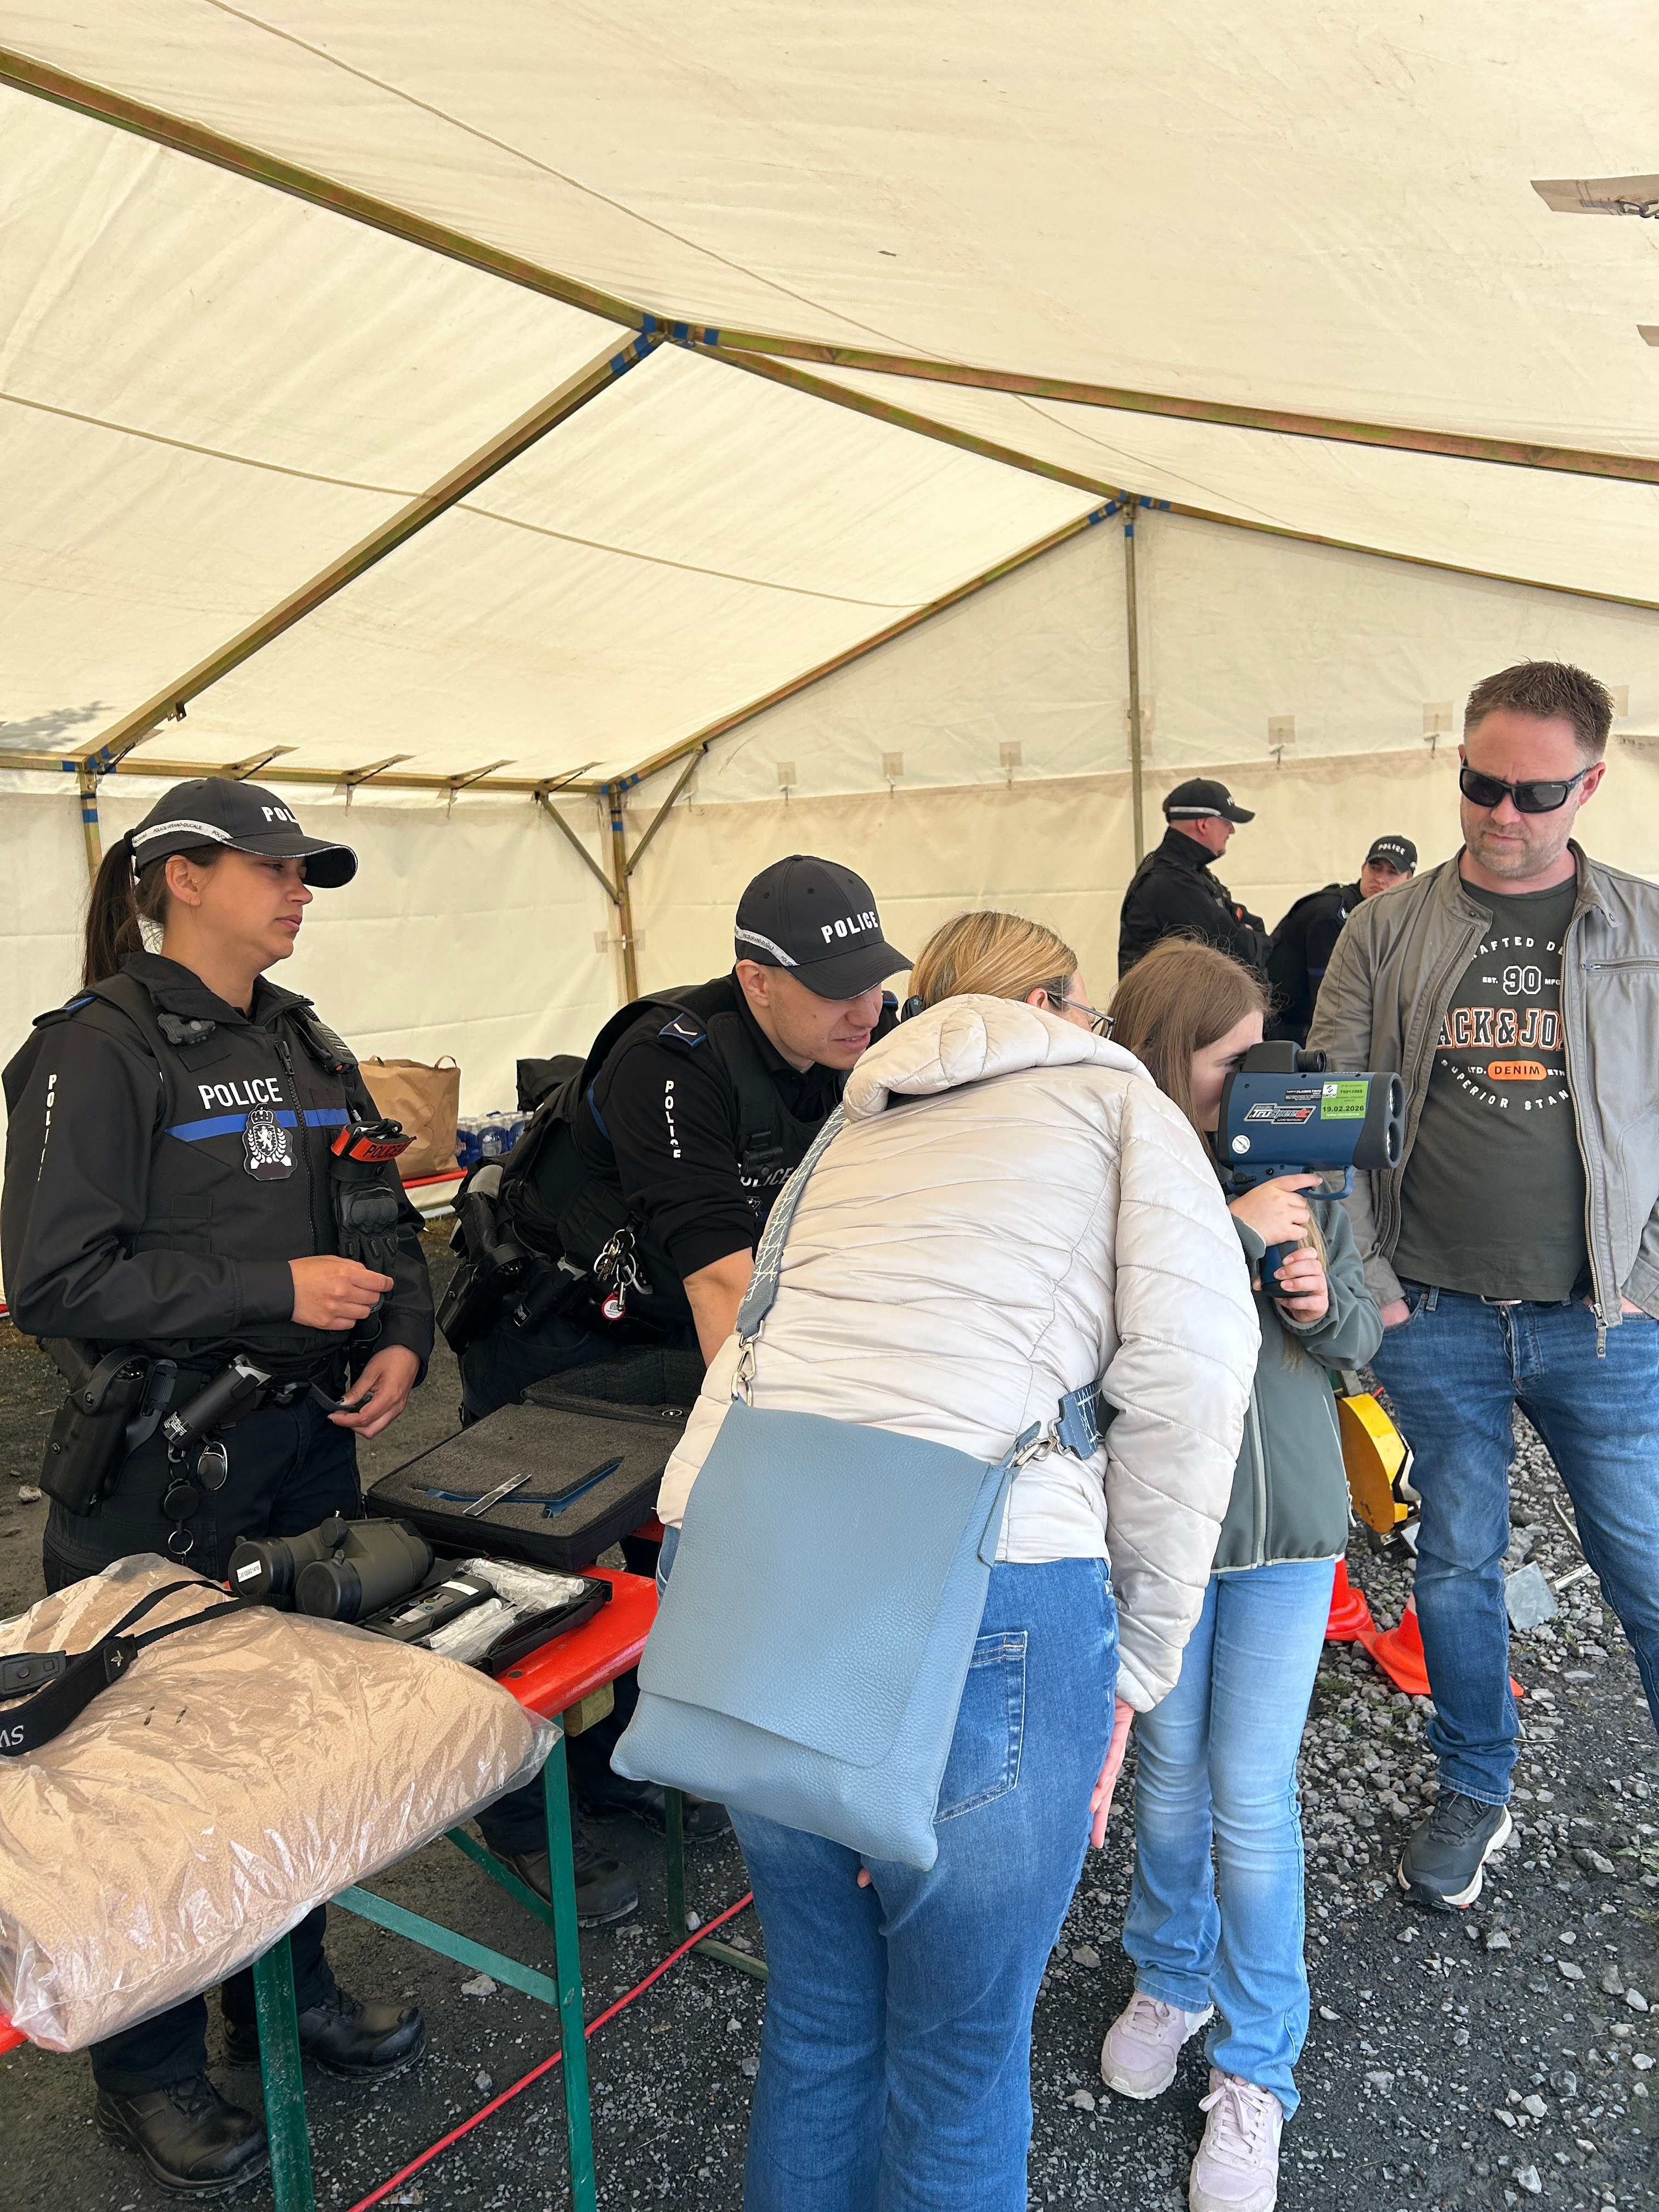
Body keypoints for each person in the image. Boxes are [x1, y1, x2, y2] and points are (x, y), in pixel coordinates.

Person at [652, 909, 1259, 2212]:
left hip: (766, 1580)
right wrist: (1138, 1667)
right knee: (960, 2059)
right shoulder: (1123, 1109)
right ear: (1050, 1006)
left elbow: (748, 1355)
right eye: (1086, 1007)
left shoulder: (853, 1123)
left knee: (821, 2017)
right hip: (994, 1585)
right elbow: (1195, 1388)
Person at [1, 778, 432, 2197]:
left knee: (292, 1752)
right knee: (151, 1792)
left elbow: (384, 1212)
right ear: (181, 877)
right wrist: (270, 1287)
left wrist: (402, 1337)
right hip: (159, 1475)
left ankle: (287, 1997)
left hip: (307, 1454)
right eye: (273, 866)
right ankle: (150, 2070)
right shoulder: (95, 1048)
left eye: (308, 870)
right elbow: (54, 1283)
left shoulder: (306, 1039)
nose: (300, 888)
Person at [464, 854, 909, 1912]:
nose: (865, 1008)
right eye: (834, 988)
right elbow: (721, 1279)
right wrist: (776, 1455)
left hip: (665, 1337)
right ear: (756, 979)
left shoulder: (850, 1048)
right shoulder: (670, 1061)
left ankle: (617, 1763)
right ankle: (521, 1819)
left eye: (873, 980)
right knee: (535, 1592)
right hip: (555, 1342)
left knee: (667, 1571)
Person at [1308, 659, 1659, 1912]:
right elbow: (1329, 1117)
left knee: (1644, 1569)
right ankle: (1473, 1785)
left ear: (1590, 785)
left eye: (1533, 793)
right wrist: (1371, 1282)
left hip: (1603, 1323)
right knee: (1454, 1564)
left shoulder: (1642, 928)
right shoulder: (1384, 927)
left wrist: (1647, 1279)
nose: (1501, 813)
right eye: (1479, 785)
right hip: (1435, 1317)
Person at [1103, 938, 1381, 2212]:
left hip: (1288, 1532)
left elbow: (1360, 1340)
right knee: (1167, 1780)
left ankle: (1258, 2067)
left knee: (1251, 1794)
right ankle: (1172, 1978)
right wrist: (1223, 1231)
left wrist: (1320, 1303)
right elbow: (1104, 1331)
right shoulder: (1115, 1179)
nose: (1263, 1084)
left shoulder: (1310, 1175)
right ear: (1172, 1062)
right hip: (1165, 1534)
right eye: (1233, 1062)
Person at [1265, 835, 1418, 1044]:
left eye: (1392, 872)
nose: (1381, 879)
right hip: (1285, 1035)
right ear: (1363, 869)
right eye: (1375, 868)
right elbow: (1330, 1003)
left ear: (1410, 881)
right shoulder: (1332, 915)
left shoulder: (1389, 918)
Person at [1119, 779, 1268, 980]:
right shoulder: (1170, 882)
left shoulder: (1189, 871)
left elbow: (1251, 924)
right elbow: (1239, 952)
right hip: (1170, 1000)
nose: (1231, 830)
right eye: (1226, 822)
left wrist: (1247, 932)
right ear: (1203, 825)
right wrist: (1250, 936)